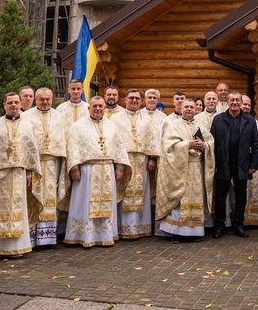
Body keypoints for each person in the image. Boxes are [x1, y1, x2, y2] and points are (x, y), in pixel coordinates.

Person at [0, 91, 43, 257]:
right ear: (4, 105)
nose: (13, 105)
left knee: (18, 210)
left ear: (20, 104)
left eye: (16, 102)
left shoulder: (28, 125)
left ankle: (15, 248)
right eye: (10, 102)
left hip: (19, 175)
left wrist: (30, 175)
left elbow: (33, 152)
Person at [64, 97, 130, 247]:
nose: (98, 109)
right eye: (95, 106)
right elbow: (72, 147)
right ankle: (84, 236)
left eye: (101, 106)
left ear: (105, 108)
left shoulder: (112, 126)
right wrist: (74, 168)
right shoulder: (78, 126)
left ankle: (105, 235)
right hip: (87, 170)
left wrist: (120, 167)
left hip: (107, 169)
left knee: (107, 201)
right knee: (84, 203)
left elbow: (119, 146)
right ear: (89, 108)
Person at [156, 99, 214, 239]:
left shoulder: (201, 126)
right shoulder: (173, 125)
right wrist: (188, 144)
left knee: (196, 197)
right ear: (181, 108)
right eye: (186, 107)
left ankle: (195, 232)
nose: (189, 109)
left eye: (191, 107)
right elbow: (168, 147)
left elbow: (210, 143)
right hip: (180, 169)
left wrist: (204, 146)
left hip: (197, 169)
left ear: (195, 110)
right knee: (180, 198)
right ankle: (177, 231)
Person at [209, 91, 258, 239]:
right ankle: (219, 226)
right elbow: (212, 143)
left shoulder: (249, 120)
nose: (234, 103)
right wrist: (213, 164)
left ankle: (238, 225)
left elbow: (255, 144)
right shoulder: (218, 119)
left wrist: (254, 163)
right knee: (220, 197)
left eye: (237, 100)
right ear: (227, 102)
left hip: (242, 164)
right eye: (232, 100)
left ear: (241, 102)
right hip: (223, 163)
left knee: (241, 197)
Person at [20, 87, 66, 247]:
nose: (45, 102)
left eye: (48, 99)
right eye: (42, 99)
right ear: (36, 100)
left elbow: (64, 140)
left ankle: (47, 238)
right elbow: (23, 144)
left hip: (53, 164)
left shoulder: (59, 117)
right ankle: (31, 237)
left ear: (51, 99)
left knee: (50, 198)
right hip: (34, 165)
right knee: (32, 198)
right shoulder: (25, 117)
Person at [118, 89, 160, 239]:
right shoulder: (116, 118)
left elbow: (153, 139)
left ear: (141, 101)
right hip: (124, 161)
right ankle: (123, 229)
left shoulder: (147, 119)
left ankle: (141, 227)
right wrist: (118, 165)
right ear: (125, 100)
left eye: (137, 98)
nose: (134, 100)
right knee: (124, 193)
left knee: (143, 194)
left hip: (143, 161)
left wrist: (153, 158)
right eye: (131, 98)